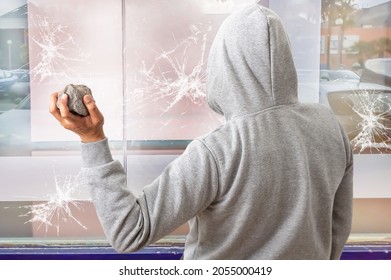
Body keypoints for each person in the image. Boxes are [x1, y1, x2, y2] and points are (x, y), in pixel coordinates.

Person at [49, 3, 353, 259]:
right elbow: (336, 230)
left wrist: (92, 139)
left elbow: (129, 231)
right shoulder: (329, 128)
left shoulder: (218, 151)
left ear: (223, 66)